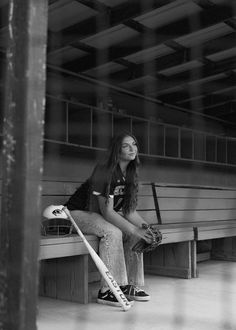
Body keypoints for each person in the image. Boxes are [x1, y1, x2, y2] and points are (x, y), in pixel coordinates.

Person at [64, 132, 153, 307]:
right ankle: (108, 290)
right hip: (77, 214)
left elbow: (129, 211)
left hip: (97, 215)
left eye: (134, 144)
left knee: (136, 234)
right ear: (116, 150)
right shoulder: (105, 169)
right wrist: (134, 229)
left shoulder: (130, 172)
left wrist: (145, 228)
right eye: (126, 145)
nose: (132, 148)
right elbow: (107, 212)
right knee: (113, 232)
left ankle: (130, 285)